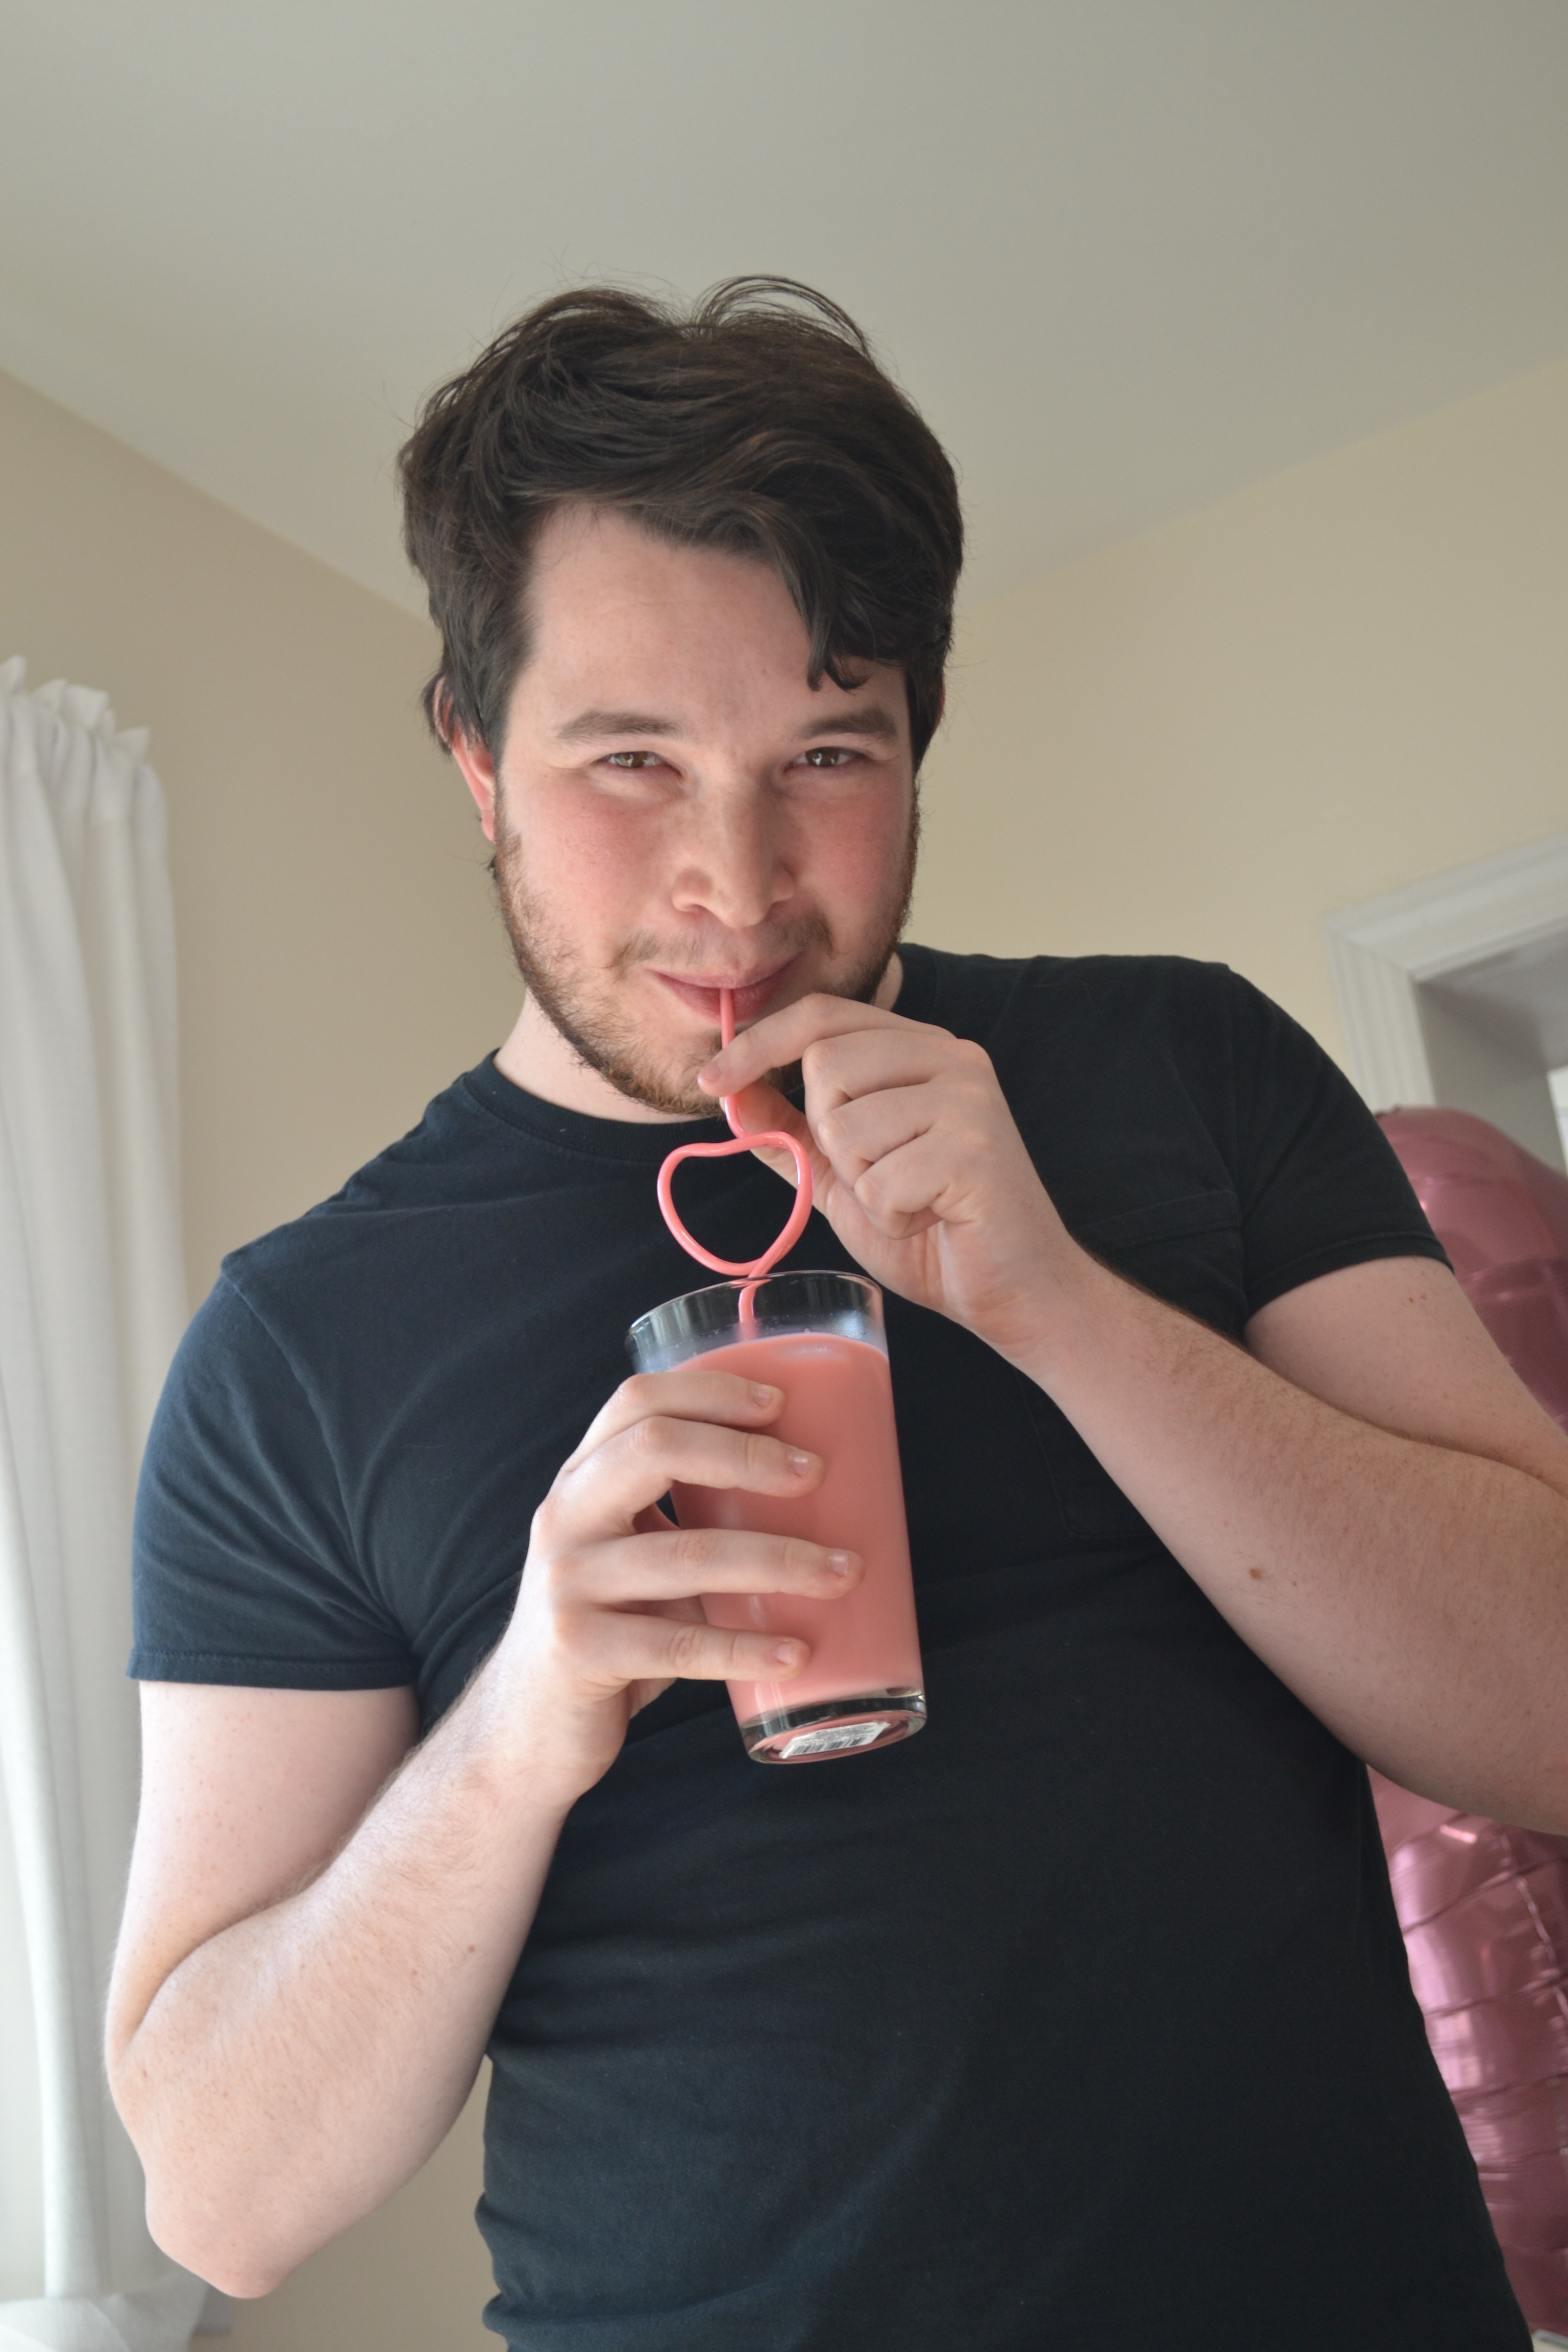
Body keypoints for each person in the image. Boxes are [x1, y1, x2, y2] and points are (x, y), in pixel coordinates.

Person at [106, 280, 1568, 2351]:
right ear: (473, 755)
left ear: (918, 737)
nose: (736, 876)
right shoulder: (296, 1349)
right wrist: (519, 1726)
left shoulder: (1184, 1067)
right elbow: (221, 2198)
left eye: (829, 749)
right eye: (630, 758)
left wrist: (1065, 1308)